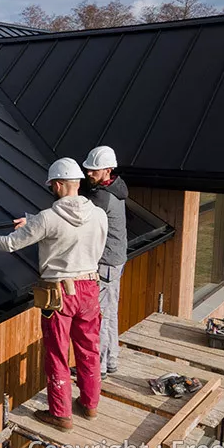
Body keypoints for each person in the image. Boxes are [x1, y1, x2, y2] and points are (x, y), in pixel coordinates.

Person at [0, 158, 107, 431]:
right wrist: (34, 221)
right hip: (91, 289)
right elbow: (73, 233)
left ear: (59, 185)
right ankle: (90, 404)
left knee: (58, 354)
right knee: (89, 349)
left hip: (60, 293)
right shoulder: (99, 214)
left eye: (52, 185)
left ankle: (61, 414)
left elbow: (11, 243)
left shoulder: (49, 218)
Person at [82, 146, 128, 380]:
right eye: (88, 169)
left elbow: (80, 218)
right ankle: (110, 361)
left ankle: (98, 368)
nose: (88, 173)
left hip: (107, 262)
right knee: (110, 311)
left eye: (94, 170)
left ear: (108, 170)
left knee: (101, 315)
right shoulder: (116, 188)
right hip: (115, 259)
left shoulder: (101, 197)